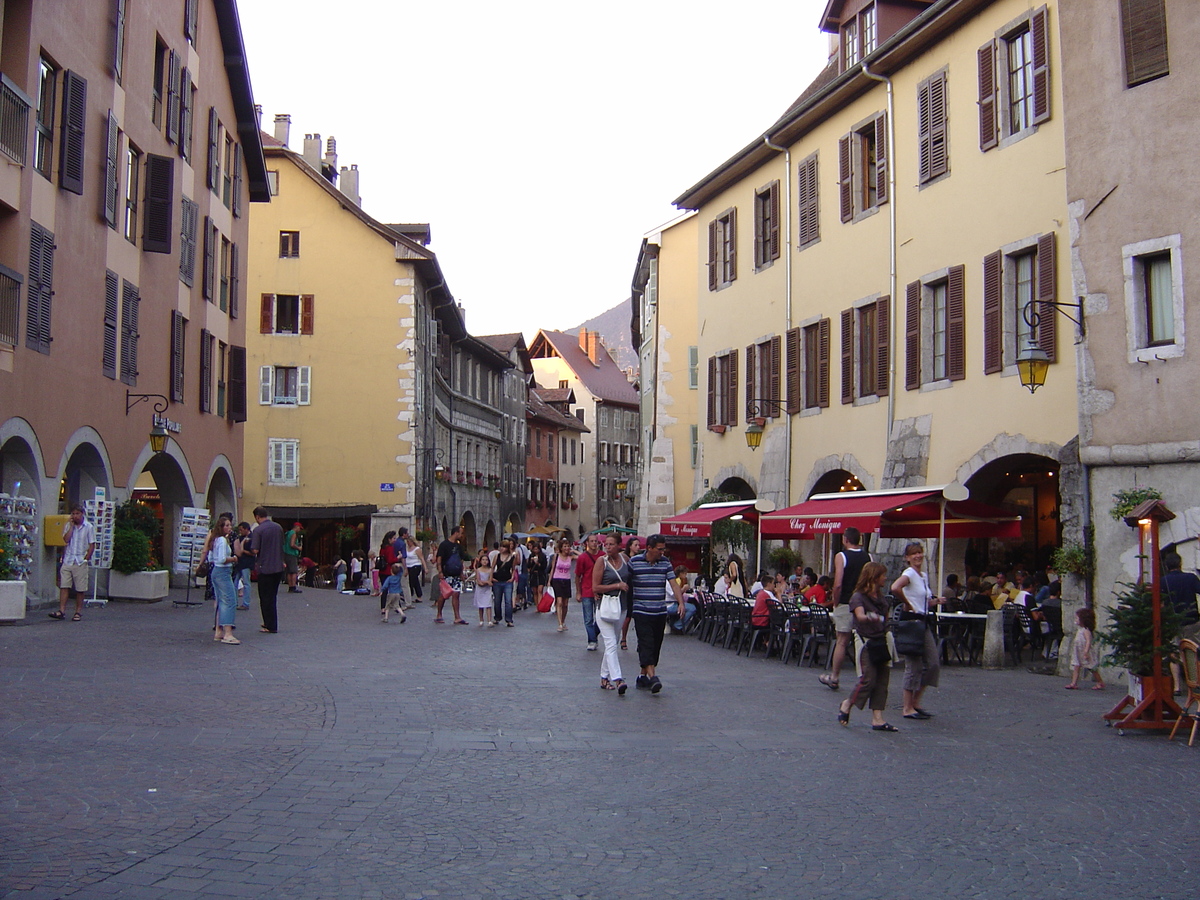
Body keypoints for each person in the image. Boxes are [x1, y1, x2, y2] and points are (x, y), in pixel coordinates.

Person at [837, 562, 899, 732]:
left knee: (882, 679)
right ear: (874, 577)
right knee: (868, 678)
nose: (885, 578)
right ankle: (847, 703)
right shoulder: (858, 597)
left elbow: (885, 617)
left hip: (881, 639)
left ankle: (877, 718)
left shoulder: (881, 597)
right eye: (882, 575)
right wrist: (869, 617)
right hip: (866, 640)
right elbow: (860, 615)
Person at [626, 535, 684, 693]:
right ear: (649, 548)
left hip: (659, 610)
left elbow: (673, 584)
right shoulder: (635, 562)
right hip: (641, 609)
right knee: (646, 643)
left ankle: (642, 676)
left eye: (663, 549)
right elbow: (625, 581)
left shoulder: (665, 563)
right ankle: (653, 677)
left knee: (655, 646)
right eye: (659, 549)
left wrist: (680, 603)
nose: (662, 552)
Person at [891, 542, 942, 720]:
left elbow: (923, 600)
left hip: (923, 621)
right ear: (907, 557)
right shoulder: (909, 574)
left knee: (933, 663)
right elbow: (895, 587)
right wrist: (906, 603)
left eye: (920, 552)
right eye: (913, 554)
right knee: (913, 665)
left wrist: (936, 602)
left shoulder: (923, 576)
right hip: (912, 622)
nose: (918, 556)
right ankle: (907, 707)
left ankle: (916, 700)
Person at [819, 526, 871, 690]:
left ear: (845, 539)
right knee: (862, 640)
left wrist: (835, 601)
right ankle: (864, 676)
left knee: (842, 641)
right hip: (862, 602)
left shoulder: (841, 556)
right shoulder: (868, 556)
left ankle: (834, 677)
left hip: (846, 602)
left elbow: (838, 583)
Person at [592, 533, 630, 694]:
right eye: (606, 544)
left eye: (611, 544)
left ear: (619, 545)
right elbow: (595, 587)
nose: (607, 547)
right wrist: (617, 586)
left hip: (621, 607)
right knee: (609, 643)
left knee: (612, 644)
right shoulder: (602, 562)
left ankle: (604, 677)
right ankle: (618, 679)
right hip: (605, 608)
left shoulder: (625, 560)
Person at [49, 504, 95, 621]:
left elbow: (92, 544)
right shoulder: (69, 525)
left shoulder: (88, 527)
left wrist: (86, 558)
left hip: (80, 560)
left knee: (80, 588)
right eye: (73, 514)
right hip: (68, 559)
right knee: (64, 585)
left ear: (82, 514)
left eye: (77, 514)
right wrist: (71, 527)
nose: (75, 516)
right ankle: (62, 610)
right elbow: (66, 540)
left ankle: (78, 611)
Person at [1163, 551, 1200, 693]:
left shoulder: (1163, 581)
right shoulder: (1190, 578)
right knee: (1193, 650)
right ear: (1180, 564)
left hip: (1172, 622)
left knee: (1174, 652)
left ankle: (1177, 686)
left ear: (1166, 566)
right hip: (1191, 620)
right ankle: (1195, 682)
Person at [249, 507, 286, 633]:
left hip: (265, 567)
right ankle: (272, 623)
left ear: (257, 517)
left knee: (265, 597)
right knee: (273, 596)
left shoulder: (258, 530)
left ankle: (269, 624)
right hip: (278, 566)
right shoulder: (278, 527)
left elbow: (255, 550)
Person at [208, 518, 240, 644]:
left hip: (216, 571)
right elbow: (221, 559)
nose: (229, 527)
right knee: (230, 600)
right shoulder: (222, 540)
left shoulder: (215, 539)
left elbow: (211, 557)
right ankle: (228, 633)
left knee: (220, 601)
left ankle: (218, 631)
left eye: (230, 525)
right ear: (221, 527)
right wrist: (233, 559)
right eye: (226, 525)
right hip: (223, 571)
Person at [434, 525, 468, 625]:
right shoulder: (444, 544)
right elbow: (439, 559)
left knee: (456, 594)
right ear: (456, 533)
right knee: (444, 594)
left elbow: (461, 560)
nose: (462, 535)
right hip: (446, 573)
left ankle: (457, 617)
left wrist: (461, 573)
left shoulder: (458, 546)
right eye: (461, 533)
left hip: (456, 574)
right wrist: (440, 572)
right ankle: (439, 614)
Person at [1065, 606, 1103, 690]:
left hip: (1085, 651)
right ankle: (1073, 683)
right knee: (1076, 666)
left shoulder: (1086, 630)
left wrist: (1086, 652)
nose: (1075, 620)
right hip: (1078, 650)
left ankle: (1100, 682)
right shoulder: (1080, 629)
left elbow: (1088, 641)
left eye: (1077, 618)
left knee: (1092, 667)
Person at [575, 534, 603, 649]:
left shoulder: (602, 556)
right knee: (588, 618)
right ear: (587, 543)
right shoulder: (582, 558)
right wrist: (578, 592)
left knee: (601, 618)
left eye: (595, 541)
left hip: (600, 591)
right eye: (592, 541)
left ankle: (593, 635)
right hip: (586, 591)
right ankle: (592, 640)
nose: (594, 543)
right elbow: (577, 576)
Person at [550, 537, 578, 633]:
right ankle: (560, 624)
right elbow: (553, 568)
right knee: (560, 602)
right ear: (561, 548)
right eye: (565, 546)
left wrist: (574, 550)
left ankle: (563, 620)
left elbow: (583, 556)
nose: (566, 548)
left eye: (568, 546)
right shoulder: (556, 556)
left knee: (565, 604)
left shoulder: (571, 557)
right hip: (557, 579)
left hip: (566, 580)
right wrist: (549, 581)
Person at [619, 537, 642, 650]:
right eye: (636, 545)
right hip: (629, 588)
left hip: (638, 589)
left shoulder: (641, 559)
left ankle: (640, 641)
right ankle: (623, 638)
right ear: (630, 546)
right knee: (627, 617)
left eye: (639, 545)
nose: (638, 547)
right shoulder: (624, 558)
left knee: (639, 617)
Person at [490, 538, 518, 627]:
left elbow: (513, 569)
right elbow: (492, 567)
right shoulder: (497, 556)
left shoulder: (512, 557)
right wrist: (491, 578)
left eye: (504, 547)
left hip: (507, 581)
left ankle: (509, 619)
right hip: (497, 580)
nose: (502, 548)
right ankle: (497, 617)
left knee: (508, 601)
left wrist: (512, 577)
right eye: (501, 546)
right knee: (497, 600)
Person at [667, 565, 697, 633]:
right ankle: (677, 625)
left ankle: (675, 624)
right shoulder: (670, 582)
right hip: (669, 604)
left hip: (672, 602)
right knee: (692, 608)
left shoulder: (675, 580)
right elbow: (675, 595)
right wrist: (683, 589)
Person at [232, 522, 254, 609]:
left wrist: (243, 550)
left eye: (241, 530)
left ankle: (246, 603)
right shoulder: (242, 538)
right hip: (240, 563)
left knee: (246, 583)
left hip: (246, 562)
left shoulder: (252, 538)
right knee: (236, 582)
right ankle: (235, 601)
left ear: (246, 529)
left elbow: (253, 552)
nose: (240, 532)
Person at [471, 549, 494, 626]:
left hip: (487, 590)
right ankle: (481, 620)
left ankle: (489, 620)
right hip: (480, 590)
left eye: (486, 560)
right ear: (480, 561)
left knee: (488, 604)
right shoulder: (478, 570)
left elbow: (490, 580)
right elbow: (479, 581)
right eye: (483, 560)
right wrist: (486, 582)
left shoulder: (490, 570)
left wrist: (487, 582)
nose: (485, 561)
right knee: (480, 605)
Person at [525, 538, 547, 613]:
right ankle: (537, 606)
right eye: (534, 549)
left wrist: (538, 563)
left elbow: (544, 566)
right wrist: (531, 561)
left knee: (540, 590)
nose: (535, 551)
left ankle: (540, 606)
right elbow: (528, 566)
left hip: (540, 574)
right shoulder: (531, 555)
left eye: (537, 549)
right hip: (533, 575)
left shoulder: (543, 556)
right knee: (535, 591)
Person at [403, 530, 426, 603]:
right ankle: (417, 595)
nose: (408, 543)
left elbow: (421, 558)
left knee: (413, 580)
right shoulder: (407, 549)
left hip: (416, 565)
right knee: (414, 580)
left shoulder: (417, 549)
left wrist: (425, 568)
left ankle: (412, 594)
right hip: (409, 566)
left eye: (409, 542)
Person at [283, 522, 304, 593]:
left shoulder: (287, 533)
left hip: (286, 553)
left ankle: (290, 586)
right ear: (297, 527)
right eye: (299, 528)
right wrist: (299, 548)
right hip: (292, 554)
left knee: (289, 571)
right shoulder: (293, 534)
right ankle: (293, 586)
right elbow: (292, 544)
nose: (299, 530)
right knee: (294, 571)